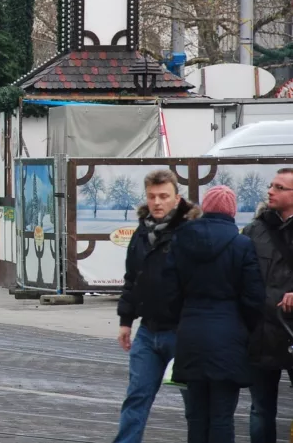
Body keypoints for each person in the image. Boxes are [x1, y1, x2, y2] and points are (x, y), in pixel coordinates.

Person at [171, 185, 265, 443]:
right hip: (228, 335)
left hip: (191, 332)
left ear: (205, 207)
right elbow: (254, 298)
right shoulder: (242, 244)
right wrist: (245, 328)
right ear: (232, 211)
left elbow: (170, 288)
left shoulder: (181, 238)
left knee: (197, 414)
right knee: (223, 415)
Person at [114, 169, 200, 443]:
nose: (157, 202)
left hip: (182, 332)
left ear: (177, 198)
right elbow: (132, 278)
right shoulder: (143, 232)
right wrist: (125, 321)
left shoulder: (190, 232)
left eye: (164, 196)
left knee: (194, 403)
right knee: (136, 397)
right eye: (152, 196)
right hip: (148, 331)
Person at [243, 167, 293, 443]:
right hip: (261, 335)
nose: (270, 191)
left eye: (279, 187)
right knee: (261, 410)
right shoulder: (254, 230)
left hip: (291, 332)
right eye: (271, 186)